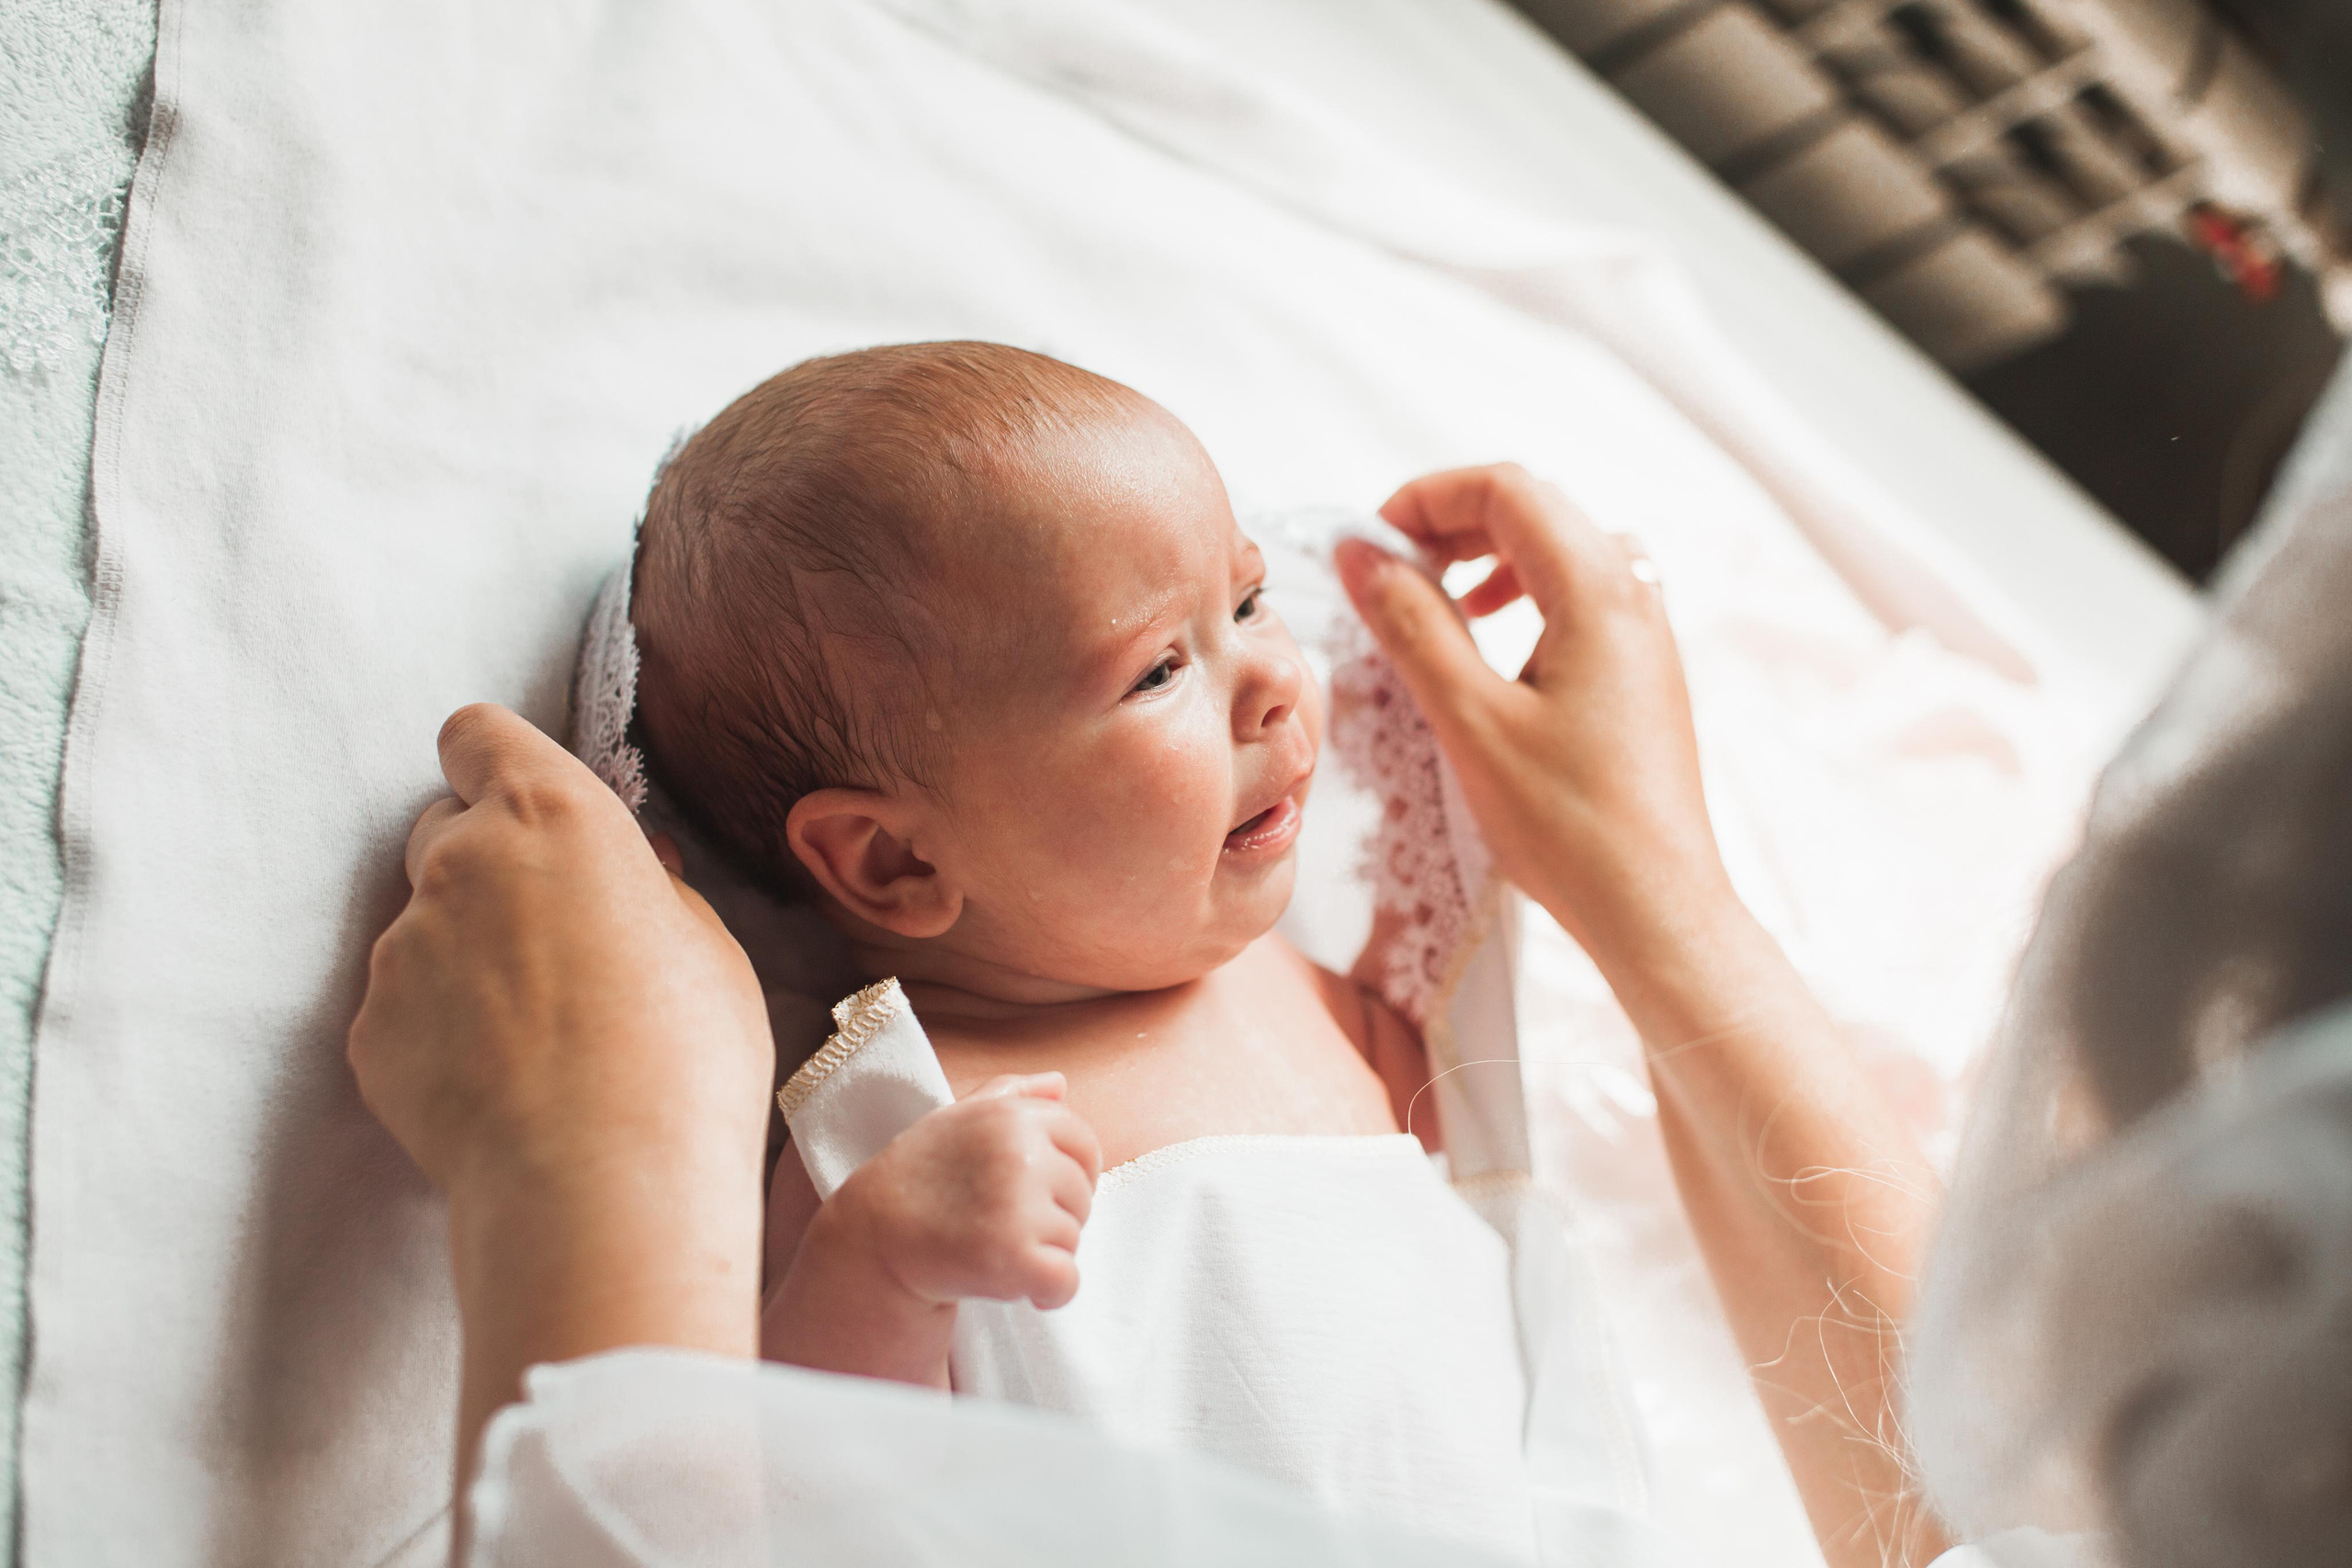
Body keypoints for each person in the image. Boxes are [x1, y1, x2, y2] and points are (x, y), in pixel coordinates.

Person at [352, 459, 1950, 1566]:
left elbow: (1485, 1199)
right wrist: (877, 1273)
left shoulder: (1337, 990)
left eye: (1249, 602)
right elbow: (812, 1488)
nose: (1271, 683)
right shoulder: (901, 1094)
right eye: (1152, 673)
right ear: (896, 856)